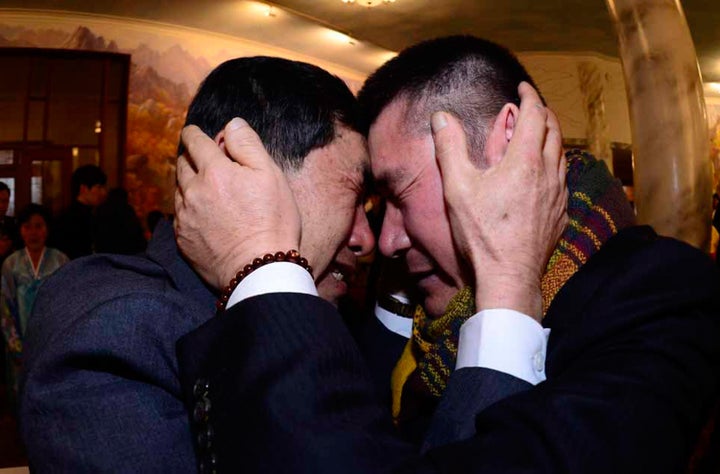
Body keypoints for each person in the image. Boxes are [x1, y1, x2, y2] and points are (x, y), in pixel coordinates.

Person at [173, 36, 720, 473]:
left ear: (510, 146)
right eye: (376, 204)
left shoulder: (667, 296)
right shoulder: (403, 308)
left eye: (400, 193)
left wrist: (506, 283)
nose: (385, 242)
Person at [19, 56, 375, 472]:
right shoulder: (118, 325)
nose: (365, 239)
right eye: (354, 195)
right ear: (238, 169)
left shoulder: (326, 315)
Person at [1, 204, 68, 405]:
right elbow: (4, 309)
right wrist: (16, 347)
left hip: (52, 344)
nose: (33, 233)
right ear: (21, 230)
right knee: (22, 399)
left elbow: (67, 305)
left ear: (47, 229)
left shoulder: (60, 261)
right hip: (20, 345)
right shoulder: (11, 264)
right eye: (27, 227)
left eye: (39, 226)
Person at [53, 164, 107, 259]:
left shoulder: (93, 214)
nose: (103, 192)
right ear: (84, 189)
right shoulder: (71, 218)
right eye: (99, 187)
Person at [93, 187, 147, 255]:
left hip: (104, 252)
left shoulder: (100, 209)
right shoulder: (127, 210)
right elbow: (135, 232)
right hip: (125, 253)